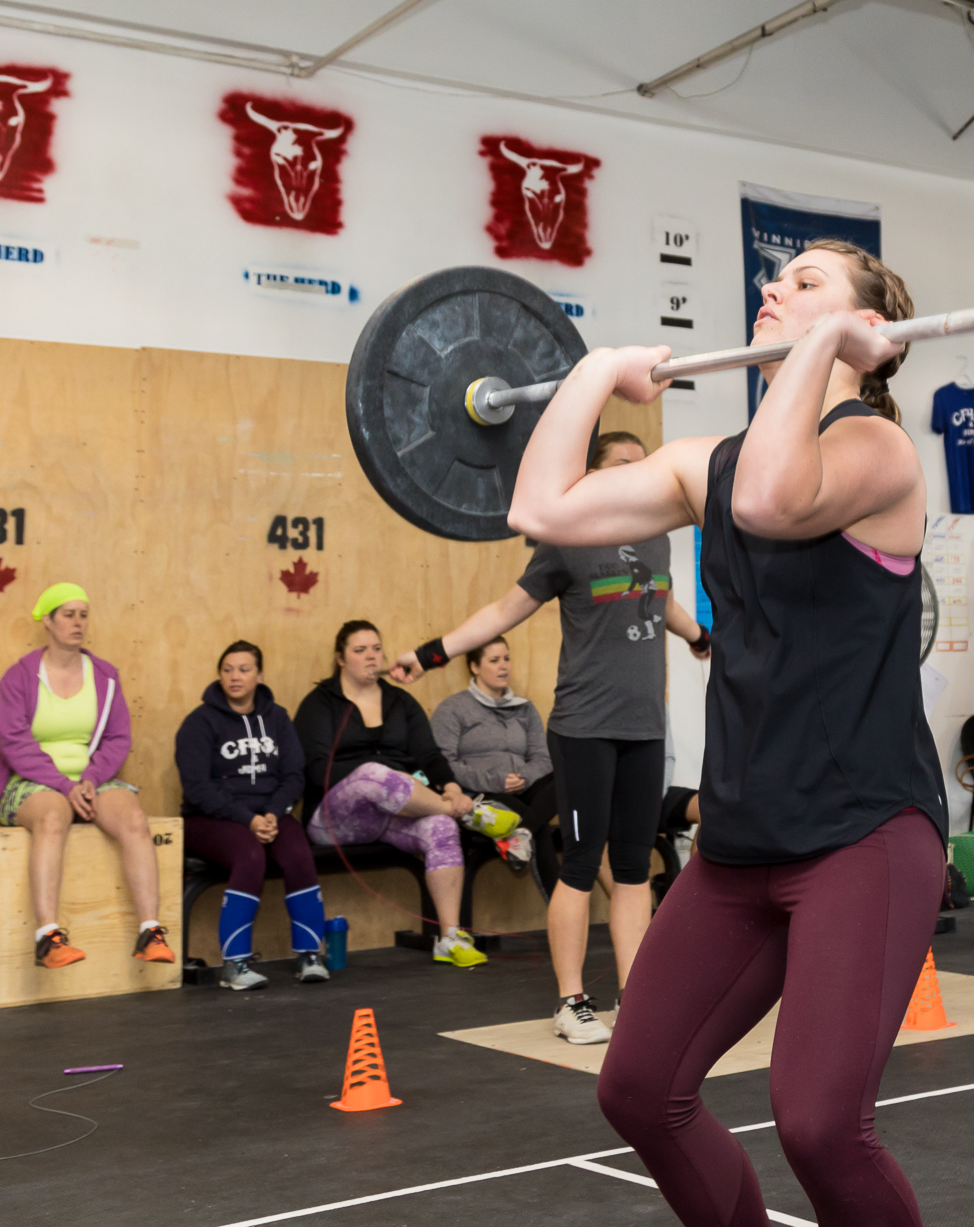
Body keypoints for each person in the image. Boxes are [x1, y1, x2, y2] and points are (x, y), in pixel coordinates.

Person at [509, 238, 948, 1224]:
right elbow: (539, 506)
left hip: (864, 834)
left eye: (805, 283)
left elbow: (769, 499)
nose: (773, 289)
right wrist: (594, 373)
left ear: (868, 327)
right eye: (774, 278)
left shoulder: (879, 452)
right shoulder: (704, 466)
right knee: (638, 1089)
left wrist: (824, 345)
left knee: (820, 1124)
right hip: (742, 840)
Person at [394, 429, 712, 1045]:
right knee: (581, 864)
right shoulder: (568, 540)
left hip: (645, 727)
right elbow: (502, 612)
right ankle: (571, 1002)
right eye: (624, 464)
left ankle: (635, 1000)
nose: (639, 474)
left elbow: (660, 599)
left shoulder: (657, 535)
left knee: (634, 869)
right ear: (594, 475)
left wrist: (698, 636)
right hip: (584, 729)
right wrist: (432, 653)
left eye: (643, 465)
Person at [0, 583, 173, 969]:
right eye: (68, 615)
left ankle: (150, 932)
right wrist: (65, 786)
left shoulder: (105, 676)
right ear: (48, 621)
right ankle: (48, 938)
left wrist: (89, 780)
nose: (78, 623)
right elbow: (15, 744)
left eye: (83, 615)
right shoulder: (19, 677)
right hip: (32, 782)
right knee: (53, 816)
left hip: (90, 779)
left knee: (134, 818)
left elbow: (118, 738)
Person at [295, 621, 490, 968]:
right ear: (340, 659)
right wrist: (386, 777)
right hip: (334, 819)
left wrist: (451, 786)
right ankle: (465, 812)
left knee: (441, 829)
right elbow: (316, 771)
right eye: (360, 651)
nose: (371, 657)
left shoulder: (400, 701)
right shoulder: (320, 704)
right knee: (374, 774)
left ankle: (451, 937)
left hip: (394, 811)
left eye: (376, 649)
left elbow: (429, 756)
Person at [176, 640, 328, 990]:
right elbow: (197, 787)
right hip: (210, 818)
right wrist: (247, 819)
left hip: (269, 813)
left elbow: (294, 775)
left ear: (259, 676)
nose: (235, 677)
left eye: (244, 670)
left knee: (298, 854)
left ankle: (309, 955)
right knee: (250, 854)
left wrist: (273, 813)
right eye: (227, 670)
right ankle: (235, 965)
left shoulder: (278, 718)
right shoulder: (199, 722)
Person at [429, 637, 550, 872]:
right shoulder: (452, 708)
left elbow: (543, 758)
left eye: (506, 659)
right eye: (494, 660)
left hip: (524, 786)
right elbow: (442, 764)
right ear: (475, 667)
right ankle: (528, 833)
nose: (503, 666)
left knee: (567, 780)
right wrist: (495, 780)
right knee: (540, 827)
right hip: (482, 793)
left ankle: (523, 832)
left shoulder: (525, 708)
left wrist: (524, 776)